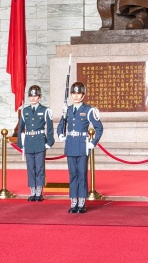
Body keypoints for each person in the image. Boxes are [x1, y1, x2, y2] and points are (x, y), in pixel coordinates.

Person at [57, 82, 103, 214]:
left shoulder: (89, 110)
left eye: (78, 93)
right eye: (74, 93)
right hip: (71, 144)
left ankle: (82, 201)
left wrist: (93, 142)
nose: (76, 96)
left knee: (82, 174)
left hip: (83, 146)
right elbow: (61, 125)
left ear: (83, 95)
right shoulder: (68, 110)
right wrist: (60, 134)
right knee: (72, 174)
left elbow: (99, 128)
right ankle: (73, 201)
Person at [17, 85, 55, 202]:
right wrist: (20, 143)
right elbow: (20, 128)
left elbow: (49, 128)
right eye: (31, 96)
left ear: (39, 97)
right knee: (30, 167)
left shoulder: (45, 110)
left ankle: (39, 191)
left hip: (39, 141)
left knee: (39, 167)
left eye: (35, 96)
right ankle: (32, 191)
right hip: (28, 141)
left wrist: (49, 142)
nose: (33, 98)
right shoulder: (25, 111)